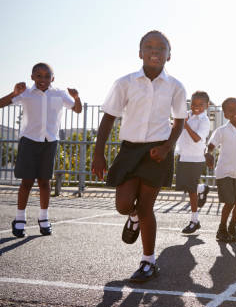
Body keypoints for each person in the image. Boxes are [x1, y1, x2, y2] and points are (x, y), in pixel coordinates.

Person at [91, 30, 187, 282]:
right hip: (130, 149)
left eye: (161, 47)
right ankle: (132, 217)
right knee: (123, 204)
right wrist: (98, 153)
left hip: (158, 151)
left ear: (169, 55)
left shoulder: (176, 86)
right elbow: (109, 117)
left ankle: (148, 262)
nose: (155, 51)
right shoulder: (125, 82)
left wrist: (167, 148)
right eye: (149, 46)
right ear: (140, 52)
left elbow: (178, 122)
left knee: (146, 206)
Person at [0, 63, 82, 237]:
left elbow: (77, 109)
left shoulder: (59, 94)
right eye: (38, 76)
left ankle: (44, 218)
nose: (42, 79)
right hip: (29, 141)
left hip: (49, 142)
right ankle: (20, 218)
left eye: (46, 76)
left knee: (45, 182)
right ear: (32, 77)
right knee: (27, 182)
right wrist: (14, 93)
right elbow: (1, 104)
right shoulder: (26, 93)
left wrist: (76, 97)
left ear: (53, 78)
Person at [205, 97, 236, 243]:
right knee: (230, 201)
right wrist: (208, 155)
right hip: (224, 171)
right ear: (225, 115)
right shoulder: (222, 131)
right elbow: (211, 146)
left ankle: (232, 228)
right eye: (231, 110)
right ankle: (222, 229)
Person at [175, 91, 211, 234]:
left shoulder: (205, 121)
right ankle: (201, 188)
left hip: (196, 159)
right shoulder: (187, 115)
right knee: (184, 187)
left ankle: (194, 221)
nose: (196, 107)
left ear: (207, 106)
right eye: (194, 104)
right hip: (183, 156)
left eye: (200, 105)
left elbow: (197, 139)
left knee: (190, 190)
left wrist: (186, 125)